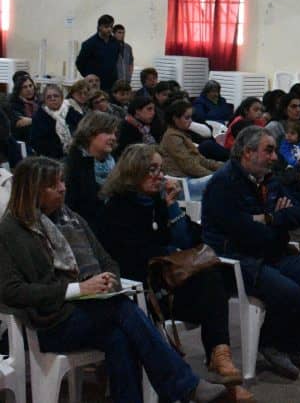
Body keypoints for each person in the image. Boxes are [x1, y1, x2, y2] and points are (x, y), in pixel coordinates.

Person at [0, 157, 228, 403]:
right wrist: (78, 289)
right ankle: (184, 386)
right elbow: (11, 291)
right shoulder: (11, 230)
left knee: (119, 337)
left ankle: (164, 391)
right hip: (49, 322)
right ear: (33, 189)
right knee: (121, 308)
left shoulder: (72, 219)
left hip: (88, 309)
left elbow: (107, 261)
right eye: (54, 185)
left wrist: (109, 281)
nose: (63, 188)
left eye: (63, 181)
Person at [99, 145, 250, 396]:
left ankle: (219, 353)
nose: (160, 176)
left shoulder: (156, 201)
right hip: (141, 291)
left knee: (214, 275)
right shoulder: (117, 208)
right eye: (152, 169)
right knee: (210, 286)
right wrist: (169, 250)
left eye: (161, 169)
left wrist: (171, 207)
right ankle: (215, 367)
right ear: (134, 171)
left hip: (167, 282)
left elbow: (189, 240)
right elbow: (136, 257)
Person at [202, 126, 300, 380]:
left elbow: (298, 213)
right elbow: (244, 232)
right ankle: (271, 344)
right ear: (248, 153)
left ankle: (288, 346)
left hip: (270, 252)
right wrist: (276, 223)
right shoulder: (224, 183)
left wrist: (269, 218)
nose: (274, 157)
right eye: (269, 151)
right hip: (236, 260)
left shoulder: (268, 179)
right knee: (289, 291)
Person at [64, 112, 119, 235]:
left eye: (114, 133)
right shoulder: (73, 167)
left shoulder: (117, 162)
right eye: (108, 132)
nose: (113, 137)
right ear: (90, 134)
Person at [160, 99, 223, 199]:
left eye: (191, 117)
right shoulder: (172, 137)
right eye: (187, 118)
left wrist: (223, 167)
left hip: (190, 179)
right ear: (175, 119)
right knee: (224, 181)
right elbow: (189, 166)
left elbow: (201, 160)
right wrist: (214, 176)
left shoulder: (181, 134)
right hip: (182, 186)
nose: (190, 121)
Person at [75, 14, 122, 93]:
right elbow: (79, 63)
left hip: (111, 84)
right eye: (106, 27)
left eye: (111, 26)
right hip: (95, 85)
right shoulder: (89, 44)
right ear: (99, 27)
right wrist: (89, 77)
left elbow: (115, 60)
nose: (109, 29)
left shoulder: (115, 43)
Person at [30, 84, 66, 159]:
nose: (53, 99)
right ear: (45, 101)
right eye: (49, 97)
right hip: (50, 158)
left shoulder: (69, 111)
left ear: (62, 98)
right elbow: (37, 143)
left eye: (56, 96)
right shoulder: (39, 117)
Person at [58, 79, 92, 153]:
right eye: (79, 93)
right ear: (73, 93)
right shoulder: (67, 105)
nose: (83, 96)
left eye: (85, 93)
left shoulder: (85, 109)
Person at [6, 73, 38, 144]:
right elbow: (19, 121)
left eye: (30, 86)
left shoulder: (38, 101)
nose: (29, 89)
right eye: (25, 87)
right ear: (19, 90)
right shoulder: (13, 103)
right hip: (22, 140)